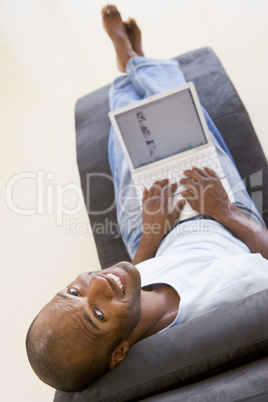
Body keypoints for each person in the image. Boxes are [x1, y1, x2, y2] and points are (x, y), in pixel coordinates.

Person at [26, 4, 268, 393]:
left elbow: (125, 283)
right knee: (179, 111)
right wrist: (224, 211)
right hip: (224, 218)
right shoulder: (226, 293)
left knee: (127, 130)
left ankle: (128, 62)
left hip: (151, 237)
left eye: (74, 291)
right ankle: (134, 59)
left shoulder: (121, 291)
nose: (98, 284)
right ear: (119, 353)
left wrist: (152, 236)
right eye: (98, 314)